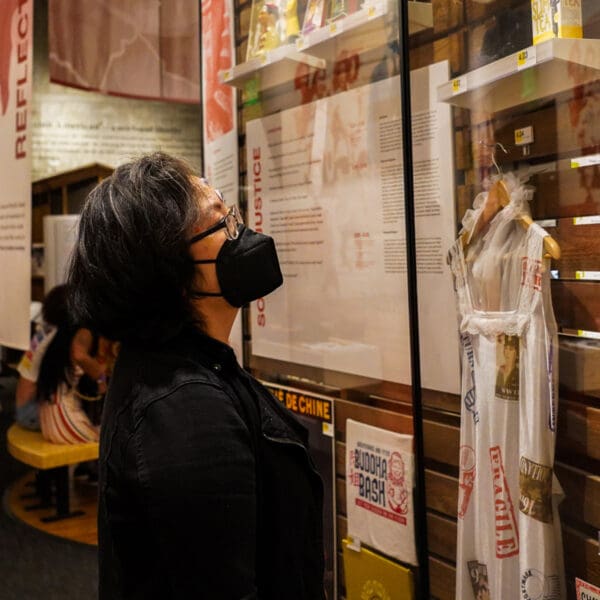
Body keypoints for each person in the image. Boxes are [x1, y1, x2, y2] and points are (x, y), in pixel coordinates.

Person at [67, 152, 325, 599]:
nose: (241, 234)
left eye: (233, 214)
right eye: (222, 223)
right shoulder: (185, 411)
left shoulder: (182, 369)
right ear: (169, 270)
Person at [32, 285, 107, 444]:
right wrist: (101, 377)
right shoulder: (83, 331)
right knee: (106, 443)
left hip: (48, 419)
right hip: (64, 420)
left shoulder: (56, 337)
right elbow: (79, 354)